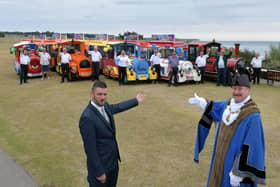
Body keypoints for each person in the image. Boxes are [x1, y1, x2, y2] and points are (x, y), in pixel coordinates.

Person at [188, 74, 266, 187]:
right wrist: (202, 102)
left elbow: (253, 147)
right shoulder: (228, 105)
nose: (236, 92)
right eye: (234, 88)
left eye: (240, 89)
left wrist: (239, 173)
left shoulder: (253, 117)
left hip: (234, 170)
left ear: (248, 90)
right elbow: (215, 108)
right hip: (218, 161)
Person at [79, 80, 146, 187]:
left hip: (113, 164)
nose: (103, 97)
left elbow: (118, 107)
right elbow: (90, 149)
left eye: (105, 94)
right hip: (101, 170)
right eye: (99, 94)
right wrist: (99, 172)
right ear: (92, 94)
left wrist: (135, 100)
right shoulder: (87, 118)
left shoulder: (105, 106)